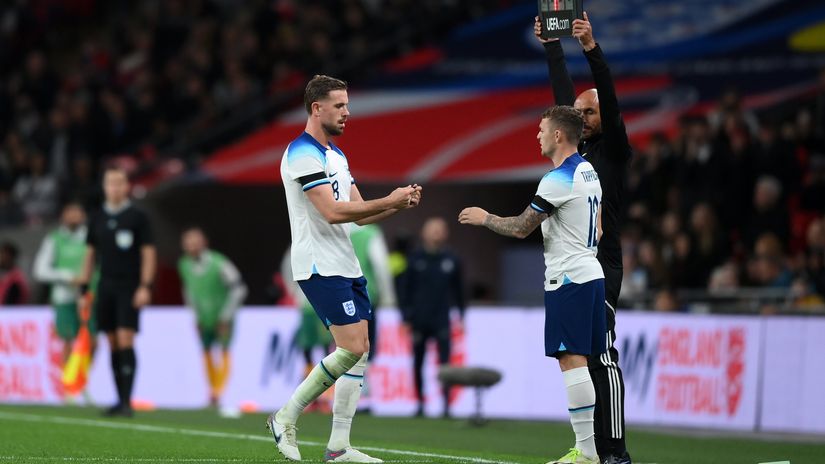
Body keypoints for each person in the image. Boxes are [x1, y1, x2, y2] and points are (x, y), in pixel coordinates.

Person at [269, 74, 422, 463]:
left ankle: (339, 447)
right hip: (318, 264)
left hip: (346, 262)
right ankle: (285, 416)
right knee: (351, 347)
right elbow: (333, 211)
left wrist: (396, 204)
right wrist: (389, 198)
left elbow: (361, 216)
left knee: (361, 350)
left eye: (348, 105)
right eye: (340, 105)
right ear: (317, 108)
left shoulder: (336, 155)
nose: (347, 113)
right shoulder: (302, 153)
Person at [459, 105, 605, 464]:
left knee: (571, 360)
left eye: (541, 130)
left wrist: (485, 218)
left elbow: (522, 227)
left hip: (569, 278)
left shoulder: (557, 179)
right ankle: (588, 450)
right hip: (590, 272)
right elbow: (599, 228)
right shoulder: (589, 172)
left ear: (558, 135)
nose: (536, 136)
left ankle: (586, 452)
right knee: (579, 360)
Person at [534, 12, 633, 463]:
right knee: (581, 357)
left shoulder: (613, 149)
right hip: (576, 263)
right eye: (581, 113)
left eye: (590, 112)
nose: (585, 117)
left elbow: (609, 101)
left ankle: (615, 452)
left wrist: (591, 49)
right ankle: (589, 449)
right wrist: (552, 47)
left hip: (603, 263)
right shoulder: (573, 153)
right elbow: (561, 105)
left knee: (602, 355)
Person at [78, 166, 156, 417]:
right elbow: (90, 254)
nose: (115, 187)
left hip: (129, 286)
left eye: (120, 182)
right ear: (104, 186)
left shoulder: (137, 217)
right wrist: (83, 288)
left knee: (125, 338)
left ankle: (127, 401)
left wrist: (145, 286)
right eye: (111, 182)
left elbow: (148, 253)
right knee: (111, 341)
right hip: (105, 286)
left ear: (127, 186)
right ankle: (119, 399)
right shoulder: (97, 217)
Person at [401, 217, 464, 417]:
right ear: (424, 233)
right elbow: (405, 290)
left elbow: (460, 290)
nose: (437, 233)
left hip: (441, 319)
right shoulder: (414, 258)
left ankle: (446, 405)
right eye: (433, 229)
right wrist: (405, 317)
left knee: (445, 363)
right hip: (419, 318)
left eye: (440, 229)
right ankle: (420, 404)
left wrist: (461, 315)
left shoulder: (452, 259)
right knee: (418, 361)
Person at [178, 227, 247, 408]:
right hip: (204, 318)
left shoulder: (219, 263)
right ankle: (212, 391)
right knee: (206, 351)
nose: (191, 246)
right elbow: (189, 291)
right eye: (188, 243)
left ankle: (219, 391)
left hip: (222, 316)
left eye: (195, 242)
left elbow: (238, 288)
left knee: (224, 350)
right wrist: (196, 316)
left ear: (204, 243)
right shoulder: (184, 265)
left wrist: (226, 316)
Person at [34, 202, 96, 366]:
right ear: (63, 215)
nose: (74, 216)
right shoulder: (54, 238)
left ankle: (86, 380)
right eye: (70, 212)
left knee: (93, 339)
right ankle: (68, 385)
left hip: (90, 296)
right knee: (68, 340)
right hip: (64, 296)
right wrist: (68, 277)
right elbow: (40, 270)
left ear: (83, 216)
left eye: (77, 212)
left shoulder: (92, 237)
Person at [350, 223, 396, 410]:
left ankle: (344, 399)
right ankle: (362, 396)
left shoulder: (334, 226)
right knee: (365, 347)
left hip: (336, 296)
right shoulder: (370, 233)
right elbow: (381, 265)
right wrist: (388, 296)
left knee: (343, 348)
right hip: (364, 296)